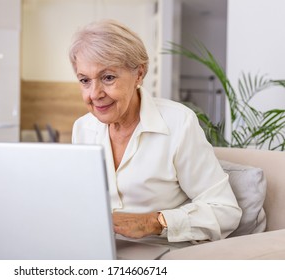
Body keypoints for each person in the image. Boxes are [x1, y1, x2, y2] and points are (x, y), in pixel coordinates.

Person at [68, 19, 242, 246]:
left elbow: (225, 210)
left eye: (108, 77)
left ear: (139, 74)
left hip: (157, 255)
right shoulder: (83, 128)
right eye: (85, 81)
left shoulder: (179, 123)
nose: (95, 93)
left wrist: (156, 221)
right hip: (95, 249)